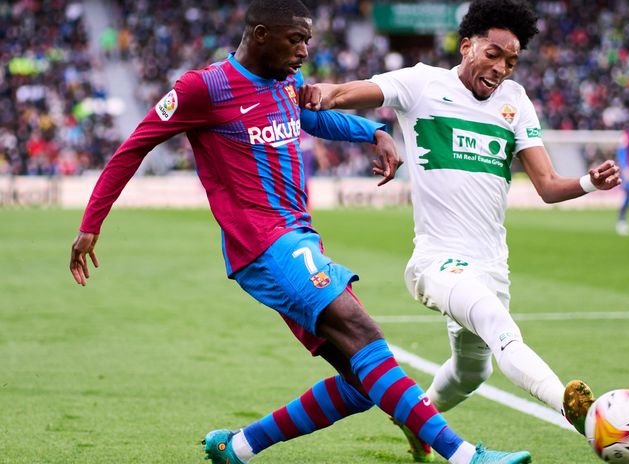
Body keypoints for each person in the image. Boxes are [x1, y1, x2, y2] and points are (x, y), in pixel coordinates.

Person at [68, 1, 532, 464]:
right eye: (296, 39)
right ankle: (464, 455)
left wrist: (373, 134)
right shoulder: (204, 88)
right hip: (264, 244)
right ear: (261, 35)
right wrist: (91, 225)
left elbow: (316, 117)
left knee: (360, 381)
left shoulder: (285, 83)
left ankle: (238, 446)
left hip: (297, 240)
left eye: (308, 40)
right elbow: (134, 147)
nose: (305, 51)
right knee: (364, 334)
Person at [301, 0, 622, 460]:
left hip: (492, 264)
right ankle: (579, 414)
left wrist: (591, 181)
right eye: (493, 54)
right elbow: (347, 92)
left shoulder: (515, 102)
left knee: (474, 371)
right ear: (467, 46)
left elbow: (548, 186)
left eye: (511, 61)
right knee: (498, 324)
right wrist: (318, 93)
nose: (501, 68)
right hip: (438, 261)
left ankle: (416, 418)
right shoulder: (421, 83)